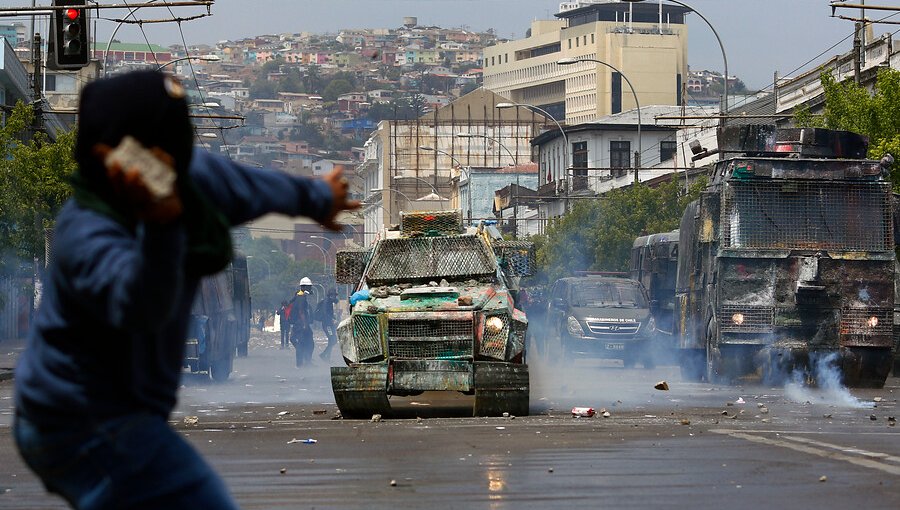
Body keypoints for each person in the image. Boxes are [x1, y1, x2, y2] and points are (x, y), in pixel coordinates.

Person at [12, 70, 358, 510]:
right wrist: (161, 225)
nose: (164, 167)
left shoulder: (188, 176)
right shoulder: (89, 232)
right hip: (78, 417)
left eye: (172, 150)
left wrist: (317, 197)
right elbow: (141, 304)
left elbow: (249, 186)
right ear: (109, 158)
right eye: (148, 154)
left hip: (130, 411)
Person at [288, 277, 315, 367]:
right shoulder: (301, 297)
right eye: (309, 287)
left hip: (300, 323)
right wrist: (304, 324)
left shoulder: (298, 296)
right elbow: (301, 311)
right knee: (302, 343)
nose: (310, 289)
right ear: (304, 287)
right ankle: (301, 364)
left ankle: (306, 361)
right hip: (300, 324)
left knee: (308, 342)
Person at [318, 287, 339, 361]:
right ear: (330, 295)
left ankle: (327, 357)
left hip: (330, 324)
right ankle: (323, 355)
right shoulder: (326, 302)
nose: (334, 297)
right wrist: (332, 319)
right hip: (327, 325)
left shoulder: (330, 302)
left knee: (332, 340)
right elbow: (325, 313)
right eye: (333, 296)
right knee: (333, 340)